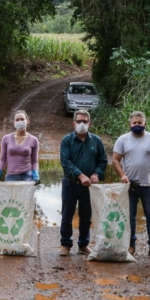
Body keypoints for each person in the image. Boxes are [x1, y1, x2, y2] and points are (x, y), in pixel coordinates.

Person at [0, 110, 40, 252]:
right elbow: (3, 159)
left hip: (27, 179)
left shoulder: (33, 140)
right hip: (10, 177)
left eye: (22, 119)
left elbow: (35, 161)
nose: (20, 122)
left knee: (23, 211)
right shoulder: (6, 138)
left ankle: (20, 244)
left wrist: (36, 175)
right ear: (13, 122)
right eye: (17, 119)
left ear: (27, 121)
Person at [112, 111, 150, 258]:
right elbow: (115, 160)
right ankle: (130, 245)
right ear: (130, 124)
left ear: (145, 124)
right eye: (134, 123)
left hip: (148, 185)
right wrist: (122, 175)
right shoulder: (123, 140)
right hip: (130, 185)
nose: (137, 125)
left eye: (140, 123)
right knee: (129, 217)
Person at [59, 109, 108, 256]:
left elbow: (103, 161)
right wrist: (81, 175)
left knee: (86, 216)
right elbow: (65, 162)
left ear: (89, 123)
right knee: (67, 215)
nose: (82, 124)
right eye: (79, 121)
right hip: (70, 183)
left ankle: (83, 244)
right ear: (73, 123)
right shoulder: (66, 140)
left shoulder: (96, 141)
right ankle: (66, 244)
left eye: (85, 121)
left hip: (89, 186)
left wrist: (96, 174)